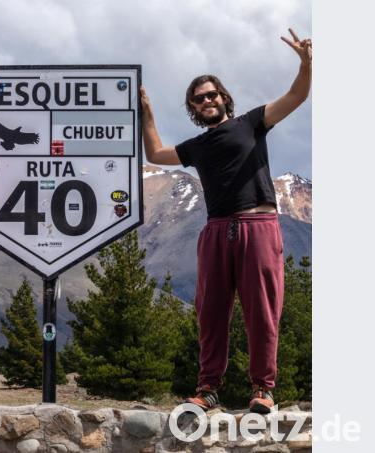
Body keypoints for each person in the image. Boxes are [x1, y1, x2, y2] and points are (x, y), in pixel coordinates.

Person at [140, 29, 311, 414]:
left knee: (262, 310)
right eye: (199, 99)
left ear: (224, 98)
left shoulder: (252, 123)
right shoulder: (196, 146)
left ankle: (263, 389)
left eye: (212, 94)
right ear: (194, 108)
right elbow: (154, 151)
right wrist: (147, 111)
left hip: (258, 227)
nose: (207, 101)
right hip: (216, 230)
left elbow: (297, 96)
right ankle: (207, 389)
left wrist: (306, 63)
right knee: (211, 312)